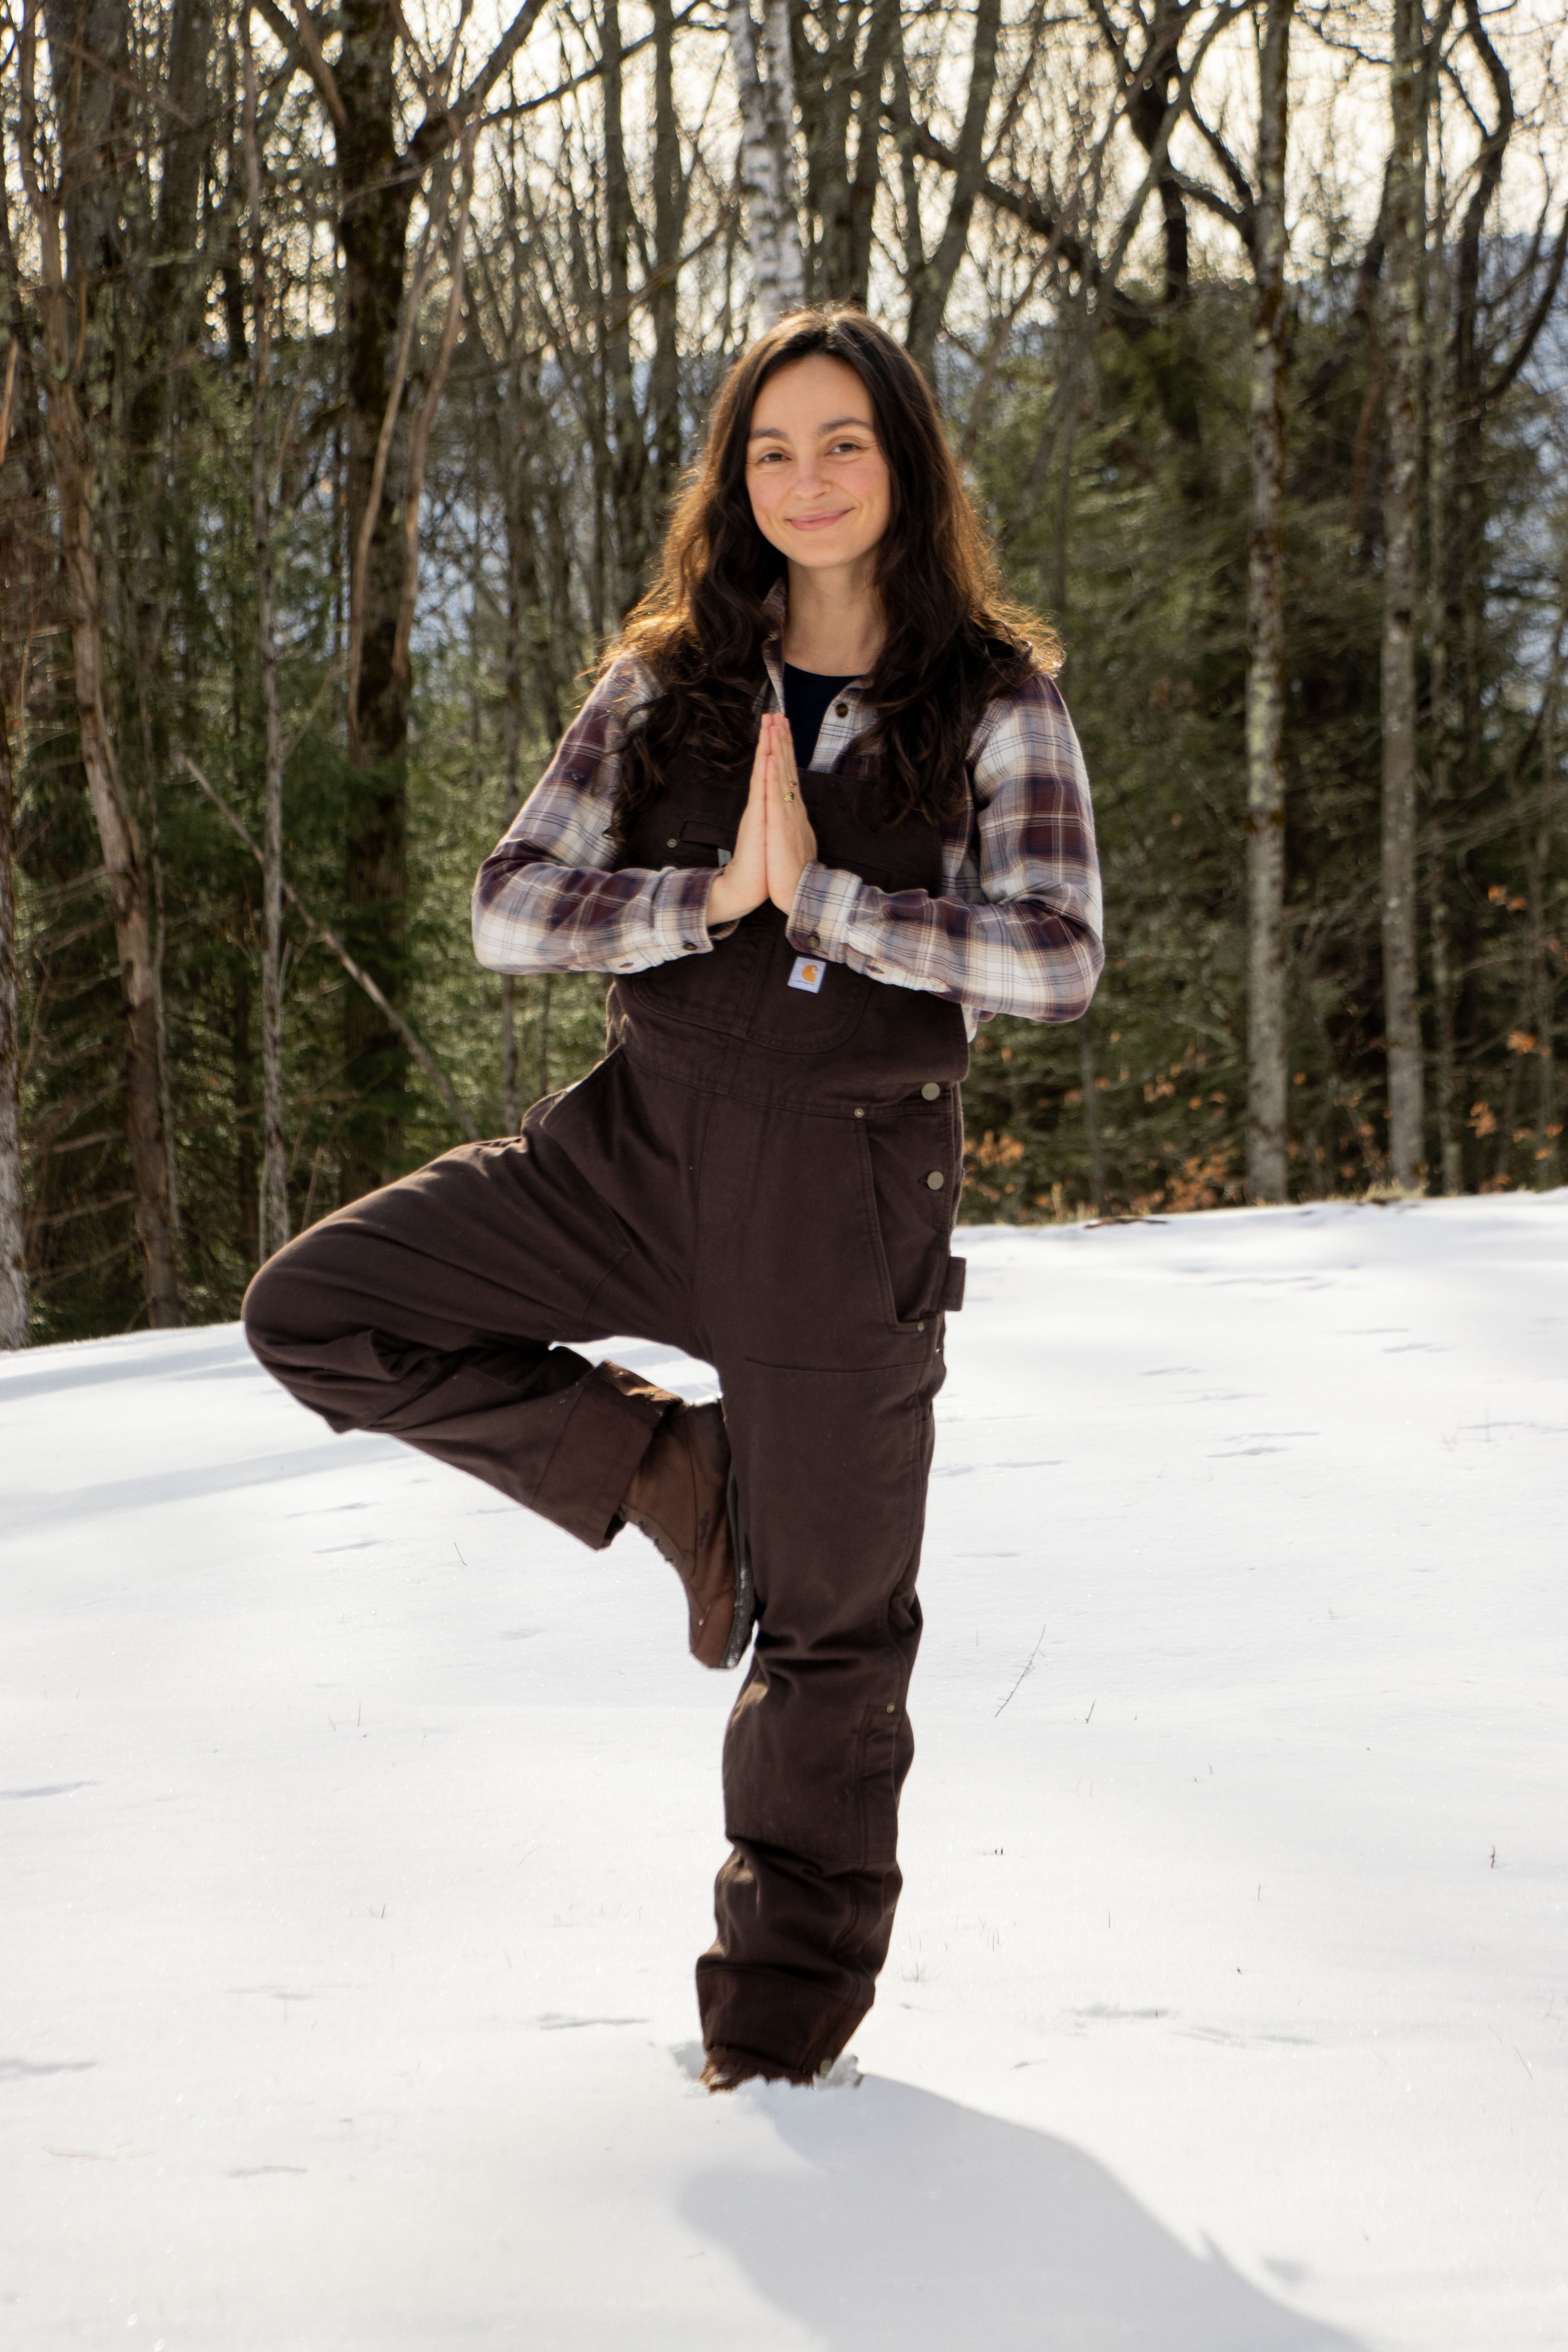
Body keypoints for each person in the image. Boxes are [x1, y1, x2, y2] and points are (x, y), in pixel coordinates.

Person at [243, 307, 1103, 2091]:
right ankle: (667, 1469)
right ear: (736, 478)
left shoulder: (996, 699)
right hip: (634, 1148)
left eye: (844, 443)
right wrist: (713, 896)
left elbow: (1056, 960)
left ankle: (776, 2044)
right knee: (319, 1310)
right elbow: (508, 908)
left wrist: (836, 910)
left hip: (846, 1197)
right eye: (771, 448)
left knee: (830, 1637)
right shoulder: (662, 681)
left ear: (905, 466)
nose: (807, 480)